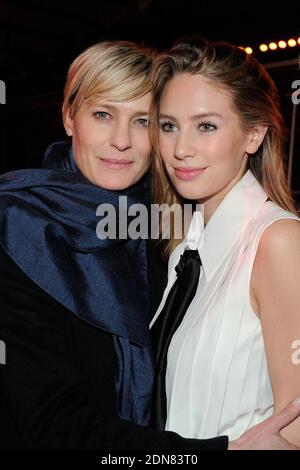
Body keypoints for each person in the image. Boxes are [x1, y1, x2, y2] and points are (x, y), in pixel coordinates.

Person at [0, 40, 299, 451]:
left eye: (143, 121)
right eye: (103, 114)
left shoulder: (172, 233)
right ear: (70, 117)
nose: (121, 140)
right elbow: (49, 422)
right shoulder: (20, 226)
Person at [149, 37, 300, 448]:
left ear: (253, 135)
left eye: (206, 126)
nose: (180, 148)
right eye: (168, 126)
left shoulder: (280, 242)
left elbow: (294, 421)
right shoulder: (184, 250)